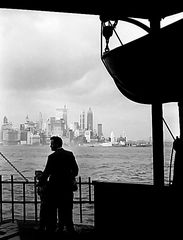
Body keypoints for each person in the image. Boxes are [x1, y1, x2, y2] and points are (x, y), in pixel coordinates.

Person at [39, 136, 79, 233]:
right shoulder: (69, 154)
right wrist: (68, 177)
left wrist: (40, 182)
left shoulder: (51, 157)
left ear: (56, 144)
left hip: (54, 189)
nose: (50, 146)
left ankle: (54, 230)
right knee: (67, 211)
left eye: (51, 144)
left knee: (53, 211)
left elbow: (46, 173)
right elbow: (76, 171)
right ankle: (69, 230)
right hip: (67, 189)